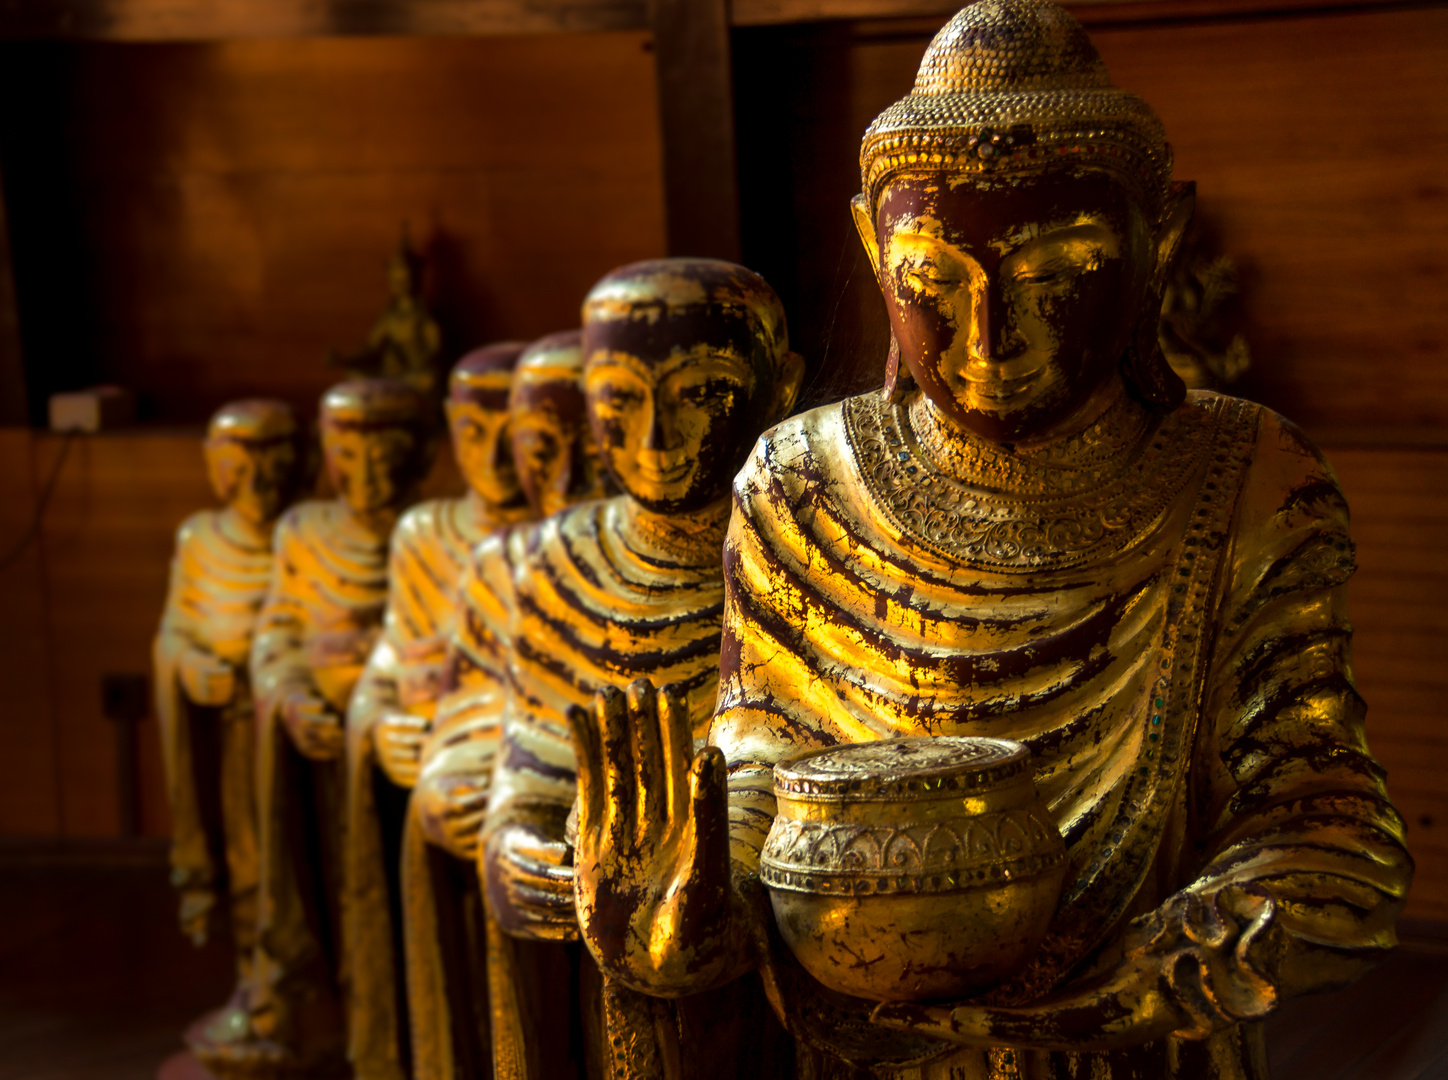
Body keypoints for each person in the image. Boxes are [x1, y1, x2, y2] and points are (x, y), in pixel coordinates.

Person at [567, 4, 1413, 1078]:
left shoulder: (1243, 478)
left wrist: (1167, 962)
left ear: (1160, 239)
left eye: (1057, 274)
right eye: (930, 280)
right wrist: (703, 887)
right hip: (847, 1037)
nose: (989, 340)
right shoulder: (797, 481)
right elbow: (763, 750)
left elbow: (1319, 813)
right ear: (874, 249)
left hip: (1125, 1045)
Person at [341, 344, 533, 1080]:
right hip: (438, 779)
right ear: (450, 432)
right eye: (474, 431)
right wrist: (377, 720)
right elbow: (388, 666)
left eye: (513, 430)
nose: (496, 454)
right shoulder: (425, 537)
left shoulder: (562, 537)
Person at [154, 400, 302, 1040]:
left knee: (296, 866)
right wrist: (186, 667)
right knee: (245, 863)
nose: (256, 483)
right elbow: (174, 632)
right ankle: (256, 983)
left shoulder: (309, 537)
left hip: (297, 738)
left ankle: (303, 993)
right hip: (231, 734)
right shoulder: (199, 540)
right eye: (238, 467)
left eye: (272, 465)